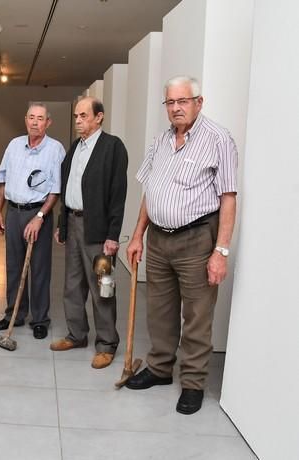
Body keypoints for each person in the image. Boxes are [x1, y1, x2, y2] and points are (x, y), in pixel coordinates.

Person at [125, 75, 238, 415]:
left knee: (197, 314)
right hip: (159, 239)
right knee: (159, 310)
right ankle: (160, 369)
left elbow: (228, 199)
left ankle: (192, 382)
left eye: (183, 101)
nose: (176, 108)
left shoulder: (219, 139)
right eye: (170, 103)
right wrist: (137, 235)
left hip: (196, 240)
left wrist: (221, 251)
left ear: (198, 102)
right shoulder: (159, 141)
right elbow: (150, 192)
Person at [50, 97, 128, 370]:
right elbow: (67, 190)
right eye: (76, 116)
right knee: (72, 285)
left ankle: (107, 344)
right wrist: (62, 224)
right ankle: (76, 334)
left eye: (84, 115)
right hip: (73, 224)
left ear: (99, 117)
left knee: (102, 287)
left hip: (99, 231)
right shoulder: (75, 148)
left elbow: (118, 196)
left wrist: (113, 235)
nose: (78, 121)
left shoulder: (113, 147)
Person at [0, 102, 65, 339]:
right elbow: (2, 180)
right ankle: (14, 313)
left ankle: (40, 319)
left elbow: (55, 191)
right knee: (13, 266)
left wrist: (40, 217)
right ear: (26, 119)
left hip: (38, 214)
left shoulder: (55, 149)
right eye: (31, 117)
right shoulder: (14, 145)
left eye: (40, 118)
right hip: (13, 213)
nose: (35, 122)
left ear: (48, 122)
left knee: (39, 268)